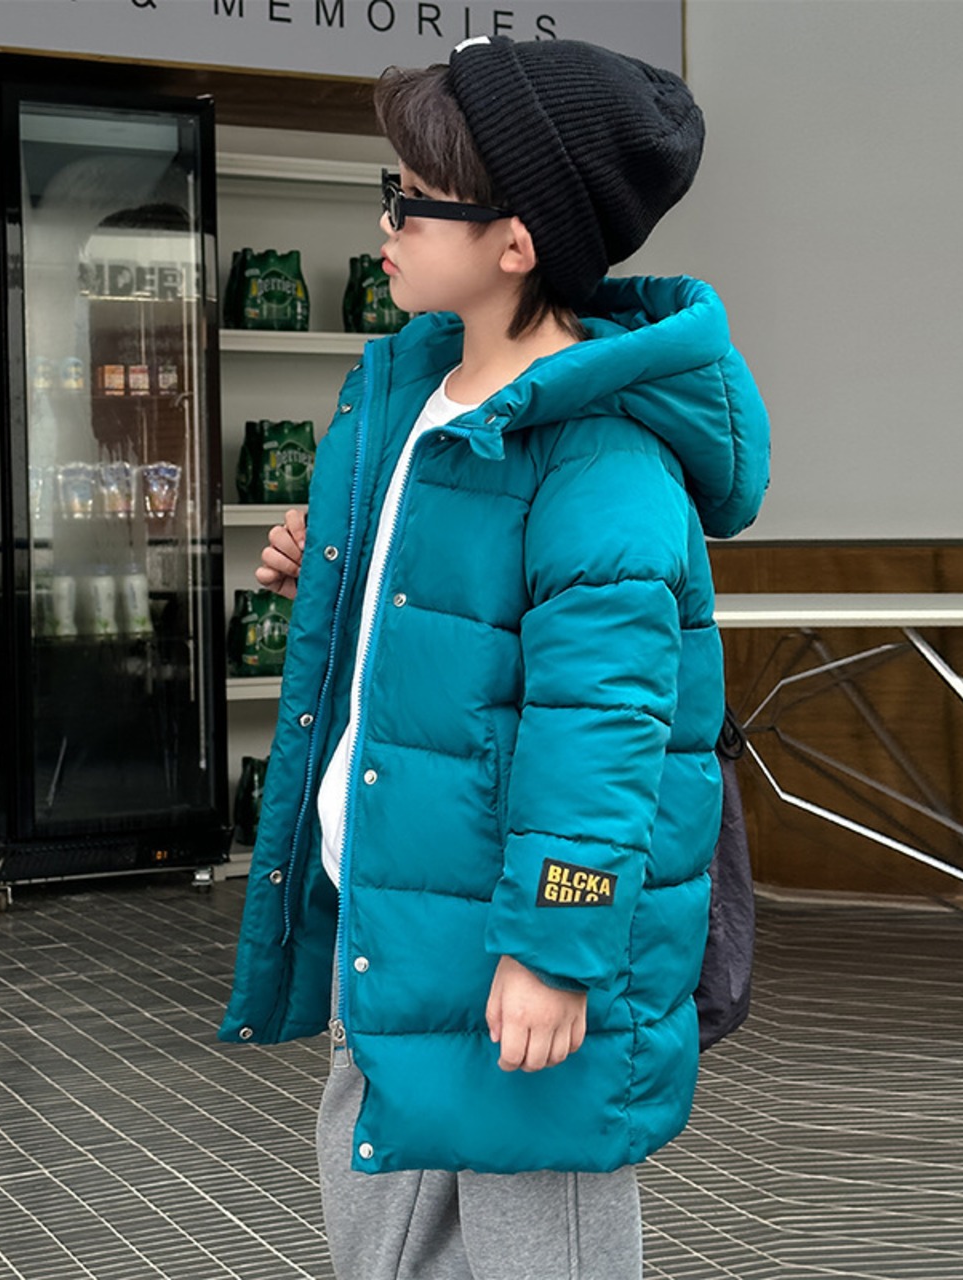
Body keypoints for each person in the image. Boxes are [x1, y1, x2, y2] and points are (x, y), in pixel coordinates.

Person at [219, 34, 770, 1280]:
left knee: (538, 1248)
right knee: (385, 1246)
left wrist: (555, 949)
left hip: (516, 947)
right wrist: (331, 563)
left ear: (513, 242)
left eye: (412, 199)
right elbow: (444, 605)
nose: (385, 222)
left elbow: (601, 725)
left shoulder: (602, 458)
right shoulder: (421, 397)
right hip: (399, 913)